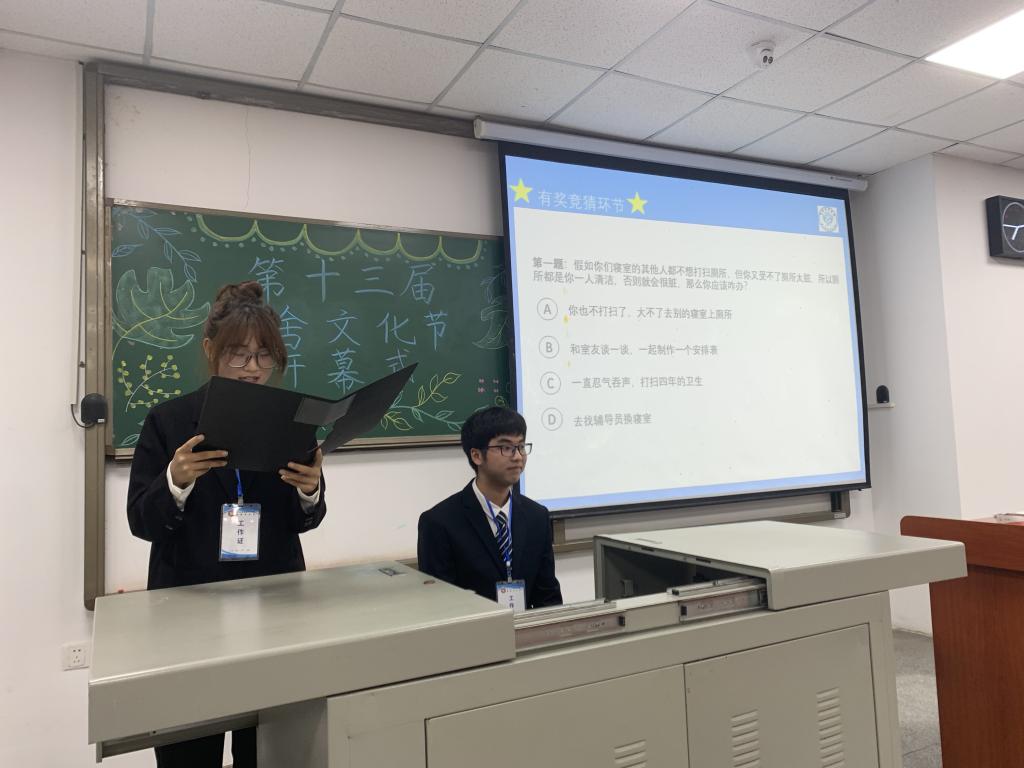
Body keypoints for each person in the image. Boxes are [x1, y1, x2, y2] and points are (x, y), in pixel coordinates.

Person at [127, 281, 327, 768]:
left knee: (268, 752)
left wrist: (310, 491)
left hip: (274, 613)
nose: (253, 368)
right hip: (188, 619)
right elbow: (140, 520)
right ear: (209, 349)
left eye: (264, 355)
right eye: (239, 354)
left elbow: (305, 520)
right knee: (188, 752)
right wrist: (175, 480)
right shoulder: (168, 420)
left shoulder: (290, 421)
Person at [417, 406, 562, 611]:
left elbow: (548, 597)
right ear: (477, 455)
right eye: (505, 447)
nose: (518, 456)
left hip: (526, 628)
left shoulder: (536, 516)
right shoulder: (439, 522)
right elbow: (439, 606)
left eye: (521, 446)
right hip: (473, 629)